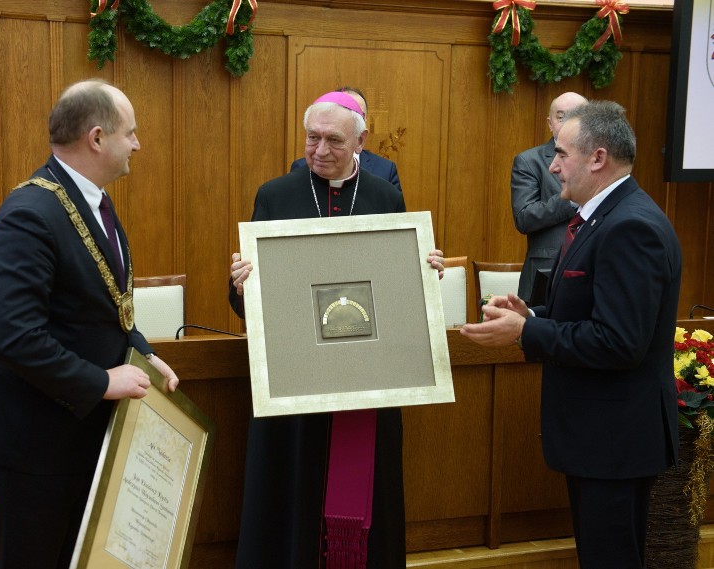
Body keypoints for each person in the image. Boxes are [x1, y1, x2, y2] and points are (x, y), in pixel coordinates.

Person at [0, 79, 180, 569]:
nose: (138, 144)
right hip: (34, 444)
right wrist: (102, 380)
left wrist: (142, 350)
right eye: (132, 133)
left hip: (80, 434)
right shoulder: (30, 213)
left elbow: (103, 302)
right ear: (97, 137)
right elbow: (13, 335)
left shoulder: (92, 198)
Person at [229, 91, 445, 569]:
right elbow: (249, 305)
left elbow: (396, 286)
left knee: (366, 493)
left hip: (366, 383)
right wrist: (242, 286)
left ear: (361, 141)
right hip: (294, 382)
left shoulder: (385, 197)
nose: (320, 151)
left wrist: (423, 271)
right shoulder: (276, 195)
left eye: (333, 141)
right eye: (312, 139)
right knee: (292, 489)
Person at [461, 101, 681, 569]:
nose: (553, 166)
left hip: (614, 440)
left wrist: (528, 332)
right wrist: (532, 312)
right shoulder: (601, 216)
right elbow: (590, 310)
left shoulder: (630, 226)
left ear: (597, 158)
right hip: (601, 438)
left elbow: (619, 342)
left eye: (560, 154)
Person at [511, 91, 587, 303]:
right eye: (561, 116)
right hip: (546, 273)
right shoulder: (529, 161)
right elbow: (524, 217)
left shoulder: (598, 160)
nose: (569, 122)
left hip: (593, 270)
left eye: (577, 115)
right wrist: (572, 198)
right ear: (550, 123)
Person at [290, 86, 403, 191]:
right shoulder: (300, 167)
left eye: (359, 114)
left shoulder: (386, 170)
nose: (321, 152)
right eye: (314, 137)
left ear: (360, 139)